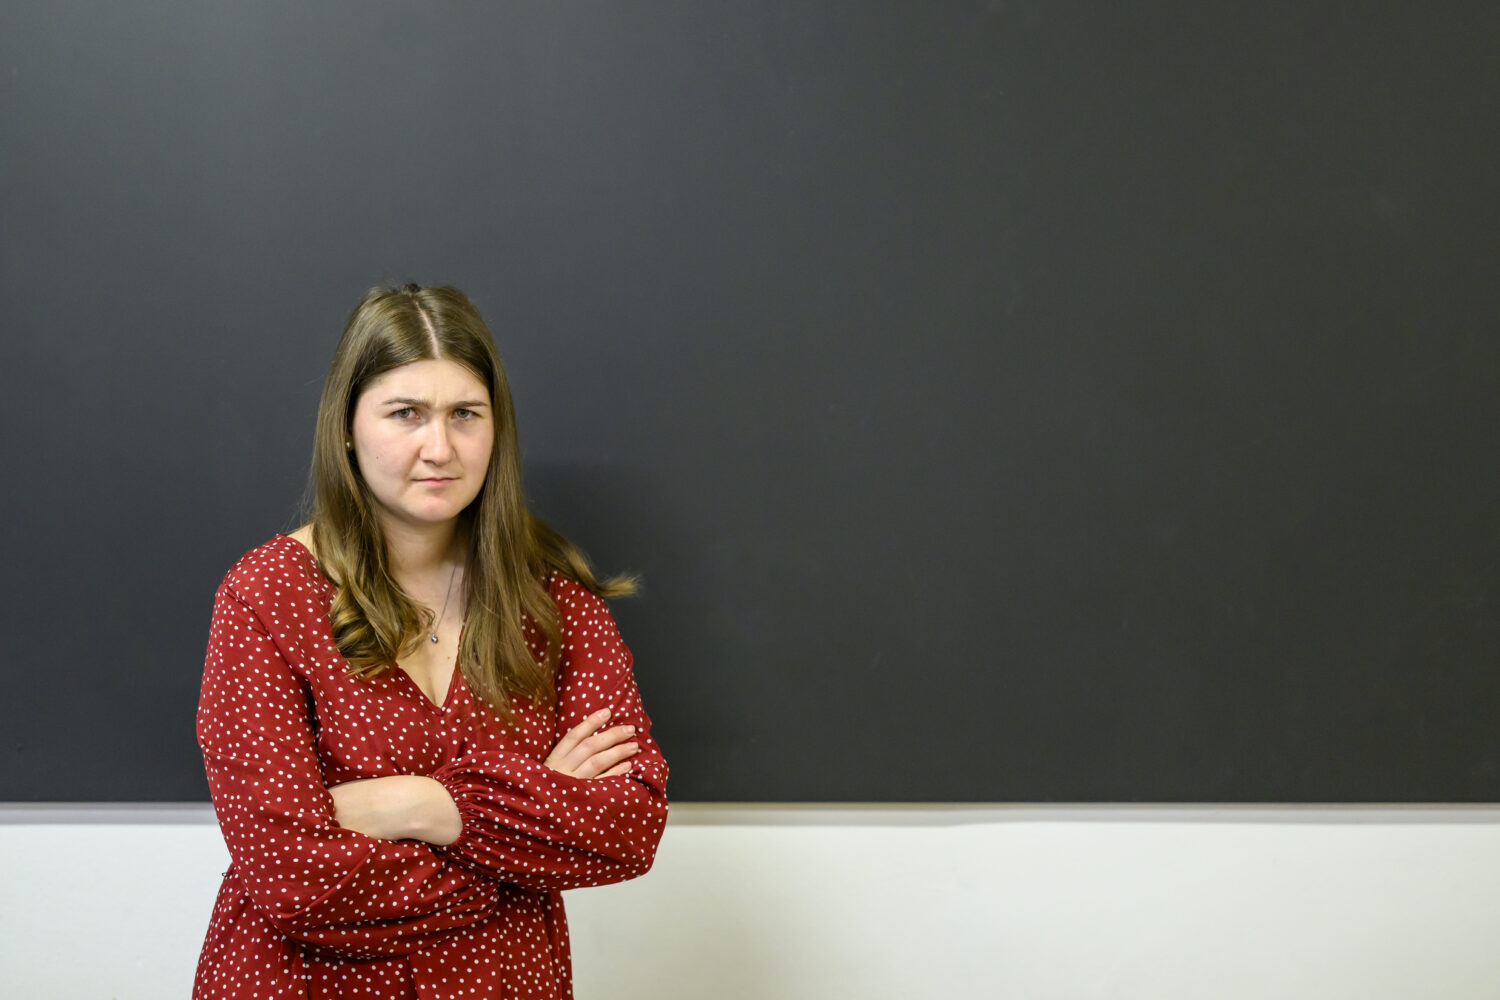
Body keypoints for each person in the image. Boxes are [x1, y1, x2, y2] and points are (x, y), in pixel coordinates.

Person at [192, 285, 668, 1000]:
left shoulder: (553, 602)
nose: (438, 447)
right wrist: (524, 840)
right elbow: (290, 874)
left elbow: (629, 825)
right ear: (347, 426)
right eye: (405, 413)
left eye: (465, 415)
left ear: (496, 429)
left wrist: (422, 805)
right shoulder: (267, 596)